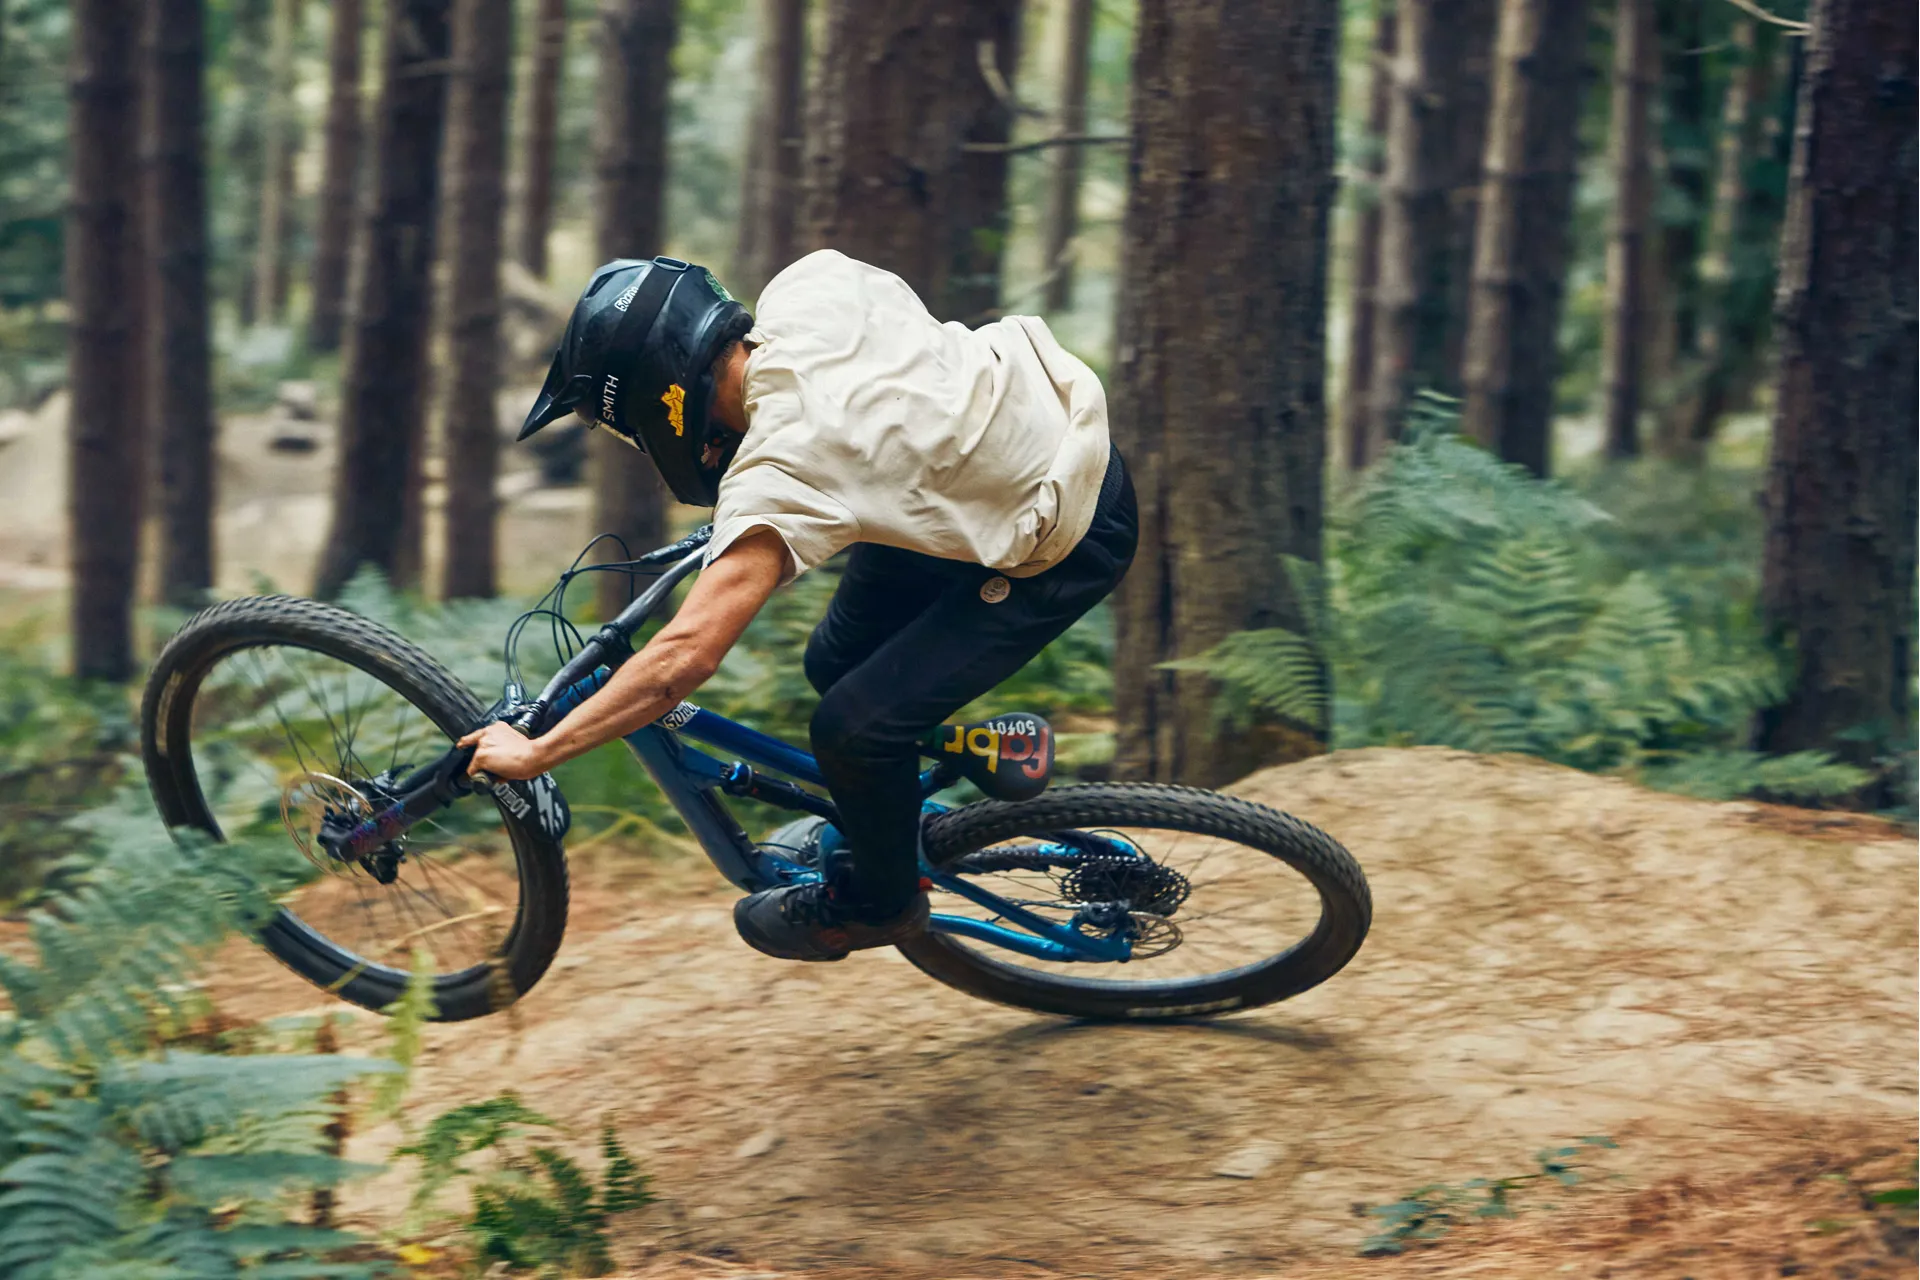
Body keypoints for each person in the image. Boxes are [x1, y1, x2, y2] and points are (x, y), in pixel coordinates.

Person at [462, 250, 1137, 962]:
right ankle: (927, 775)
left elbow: (685, 656)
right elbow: (876, 415)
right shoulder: (810, 287)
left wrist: (539, 752)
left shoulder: (781, 471)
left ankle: (880, 904)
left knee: (851, 731)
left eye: (631, 428)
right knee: (835, 662)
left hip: (1065, 536)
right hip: (1031, 432)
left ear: (661, 398)